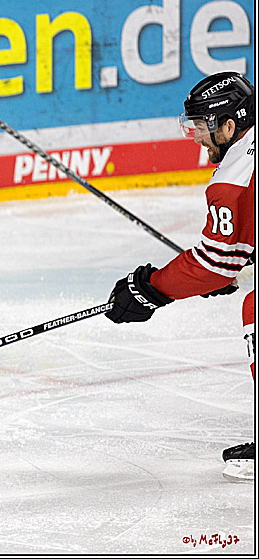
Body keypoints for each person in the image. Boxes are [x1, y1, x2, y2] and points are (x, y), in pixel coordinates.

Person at [105, 72, 255, 483]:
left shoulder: (235, 179)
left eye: (203, 126)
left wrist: (150, 289)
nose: (196, 137)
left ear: (229, 126)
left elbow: (213, 264)